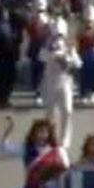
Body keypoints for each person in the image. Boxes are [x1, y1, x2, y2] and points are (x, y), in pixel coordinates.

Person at [40, 19, 81, 149]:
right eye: (56, 34)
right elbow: (40, 57)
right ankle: (50, 139)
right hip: (50, 81)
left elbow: (79, 63)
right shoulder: (47, 45)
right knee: (50, 113)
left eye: (61, 35)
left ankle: (64, 140)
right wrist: (53, 56)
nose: (58, 38)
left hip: (65, 82)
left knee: (67, 111)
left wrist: (69, 59)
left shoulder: (69, 46)